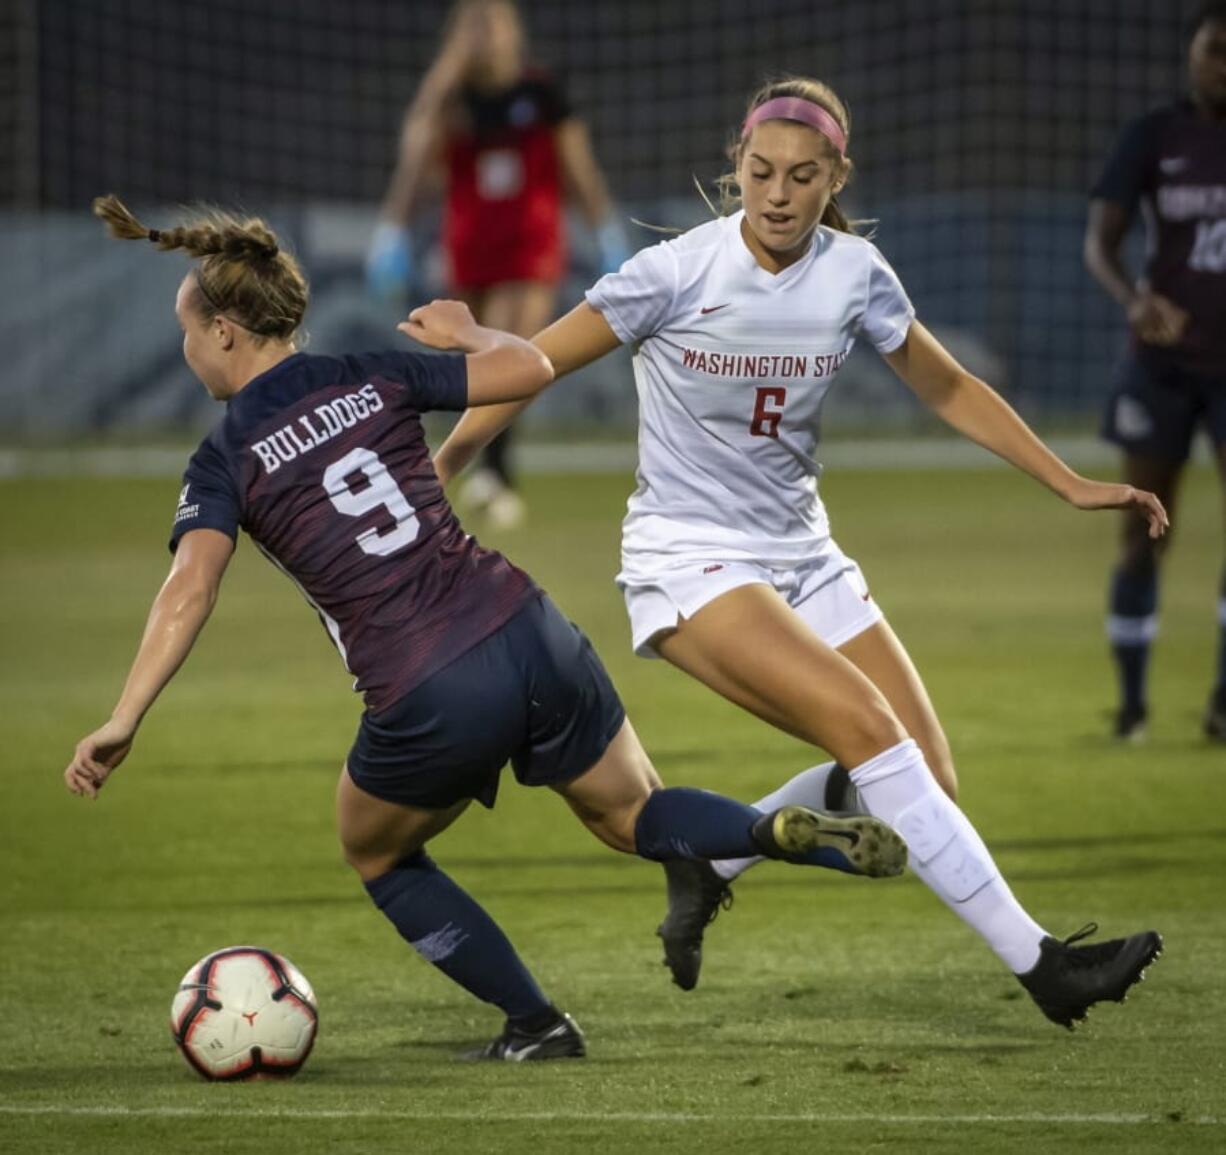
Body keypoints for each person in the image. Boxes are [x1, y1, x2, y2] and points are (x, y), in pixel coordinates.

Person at [65, 195, 907, 1062]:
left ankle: (537, 1024)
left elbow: (187, 590)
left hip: (427, 681)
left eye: (189, 332)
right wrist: (470, 332)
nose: (187, 349)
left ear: (229, 333)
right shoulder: (372, 372)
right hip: (527, 624)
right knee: (633, 812)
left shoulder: (224, 455)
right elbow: (530, 370)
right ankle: (764, 833)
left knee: (375, 850)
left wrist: (125, 716)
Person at [431, 77, 1170, 1028]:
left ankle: (714, 857)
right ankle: (1046, 967)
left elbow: (947, 388)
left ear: (836, 179)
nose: (777, 193)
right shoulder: (675, 273)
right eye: (760, 171)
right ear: (735, 163)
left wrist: (1067, 479)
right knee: (869, 733)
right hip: (689, 559)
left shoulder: (855, 272)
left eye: (802, 176)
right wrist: (446, 460)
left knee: (924, 784)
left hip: (805, 556)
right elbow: (528, 365)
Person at [366, 0, 628, 529]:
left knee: (516, 351)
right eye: (475, 25)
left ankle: (494, 474)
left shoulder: (541, 93)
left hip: (529, 247)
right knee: (476, 363)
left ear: (514, 30)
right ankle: (476, 471)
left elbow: (578, 168)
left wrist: (605, 231)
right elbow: (417, 158)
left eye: (495, 22)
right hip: (470, 247)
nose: (487, 35)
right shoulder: (452, 99)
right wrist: (391, 231)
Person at [1084, 1, 1226, 743]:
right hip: (1162, 367)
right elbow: (1100, 244)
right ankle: (1133, 708)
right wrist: (1135, 299)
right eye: (1211, 49)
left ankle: (1223, 708)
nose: (1219, 64)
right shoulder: (1155, 134)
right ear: (1192, 54)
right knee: (1144, 527)